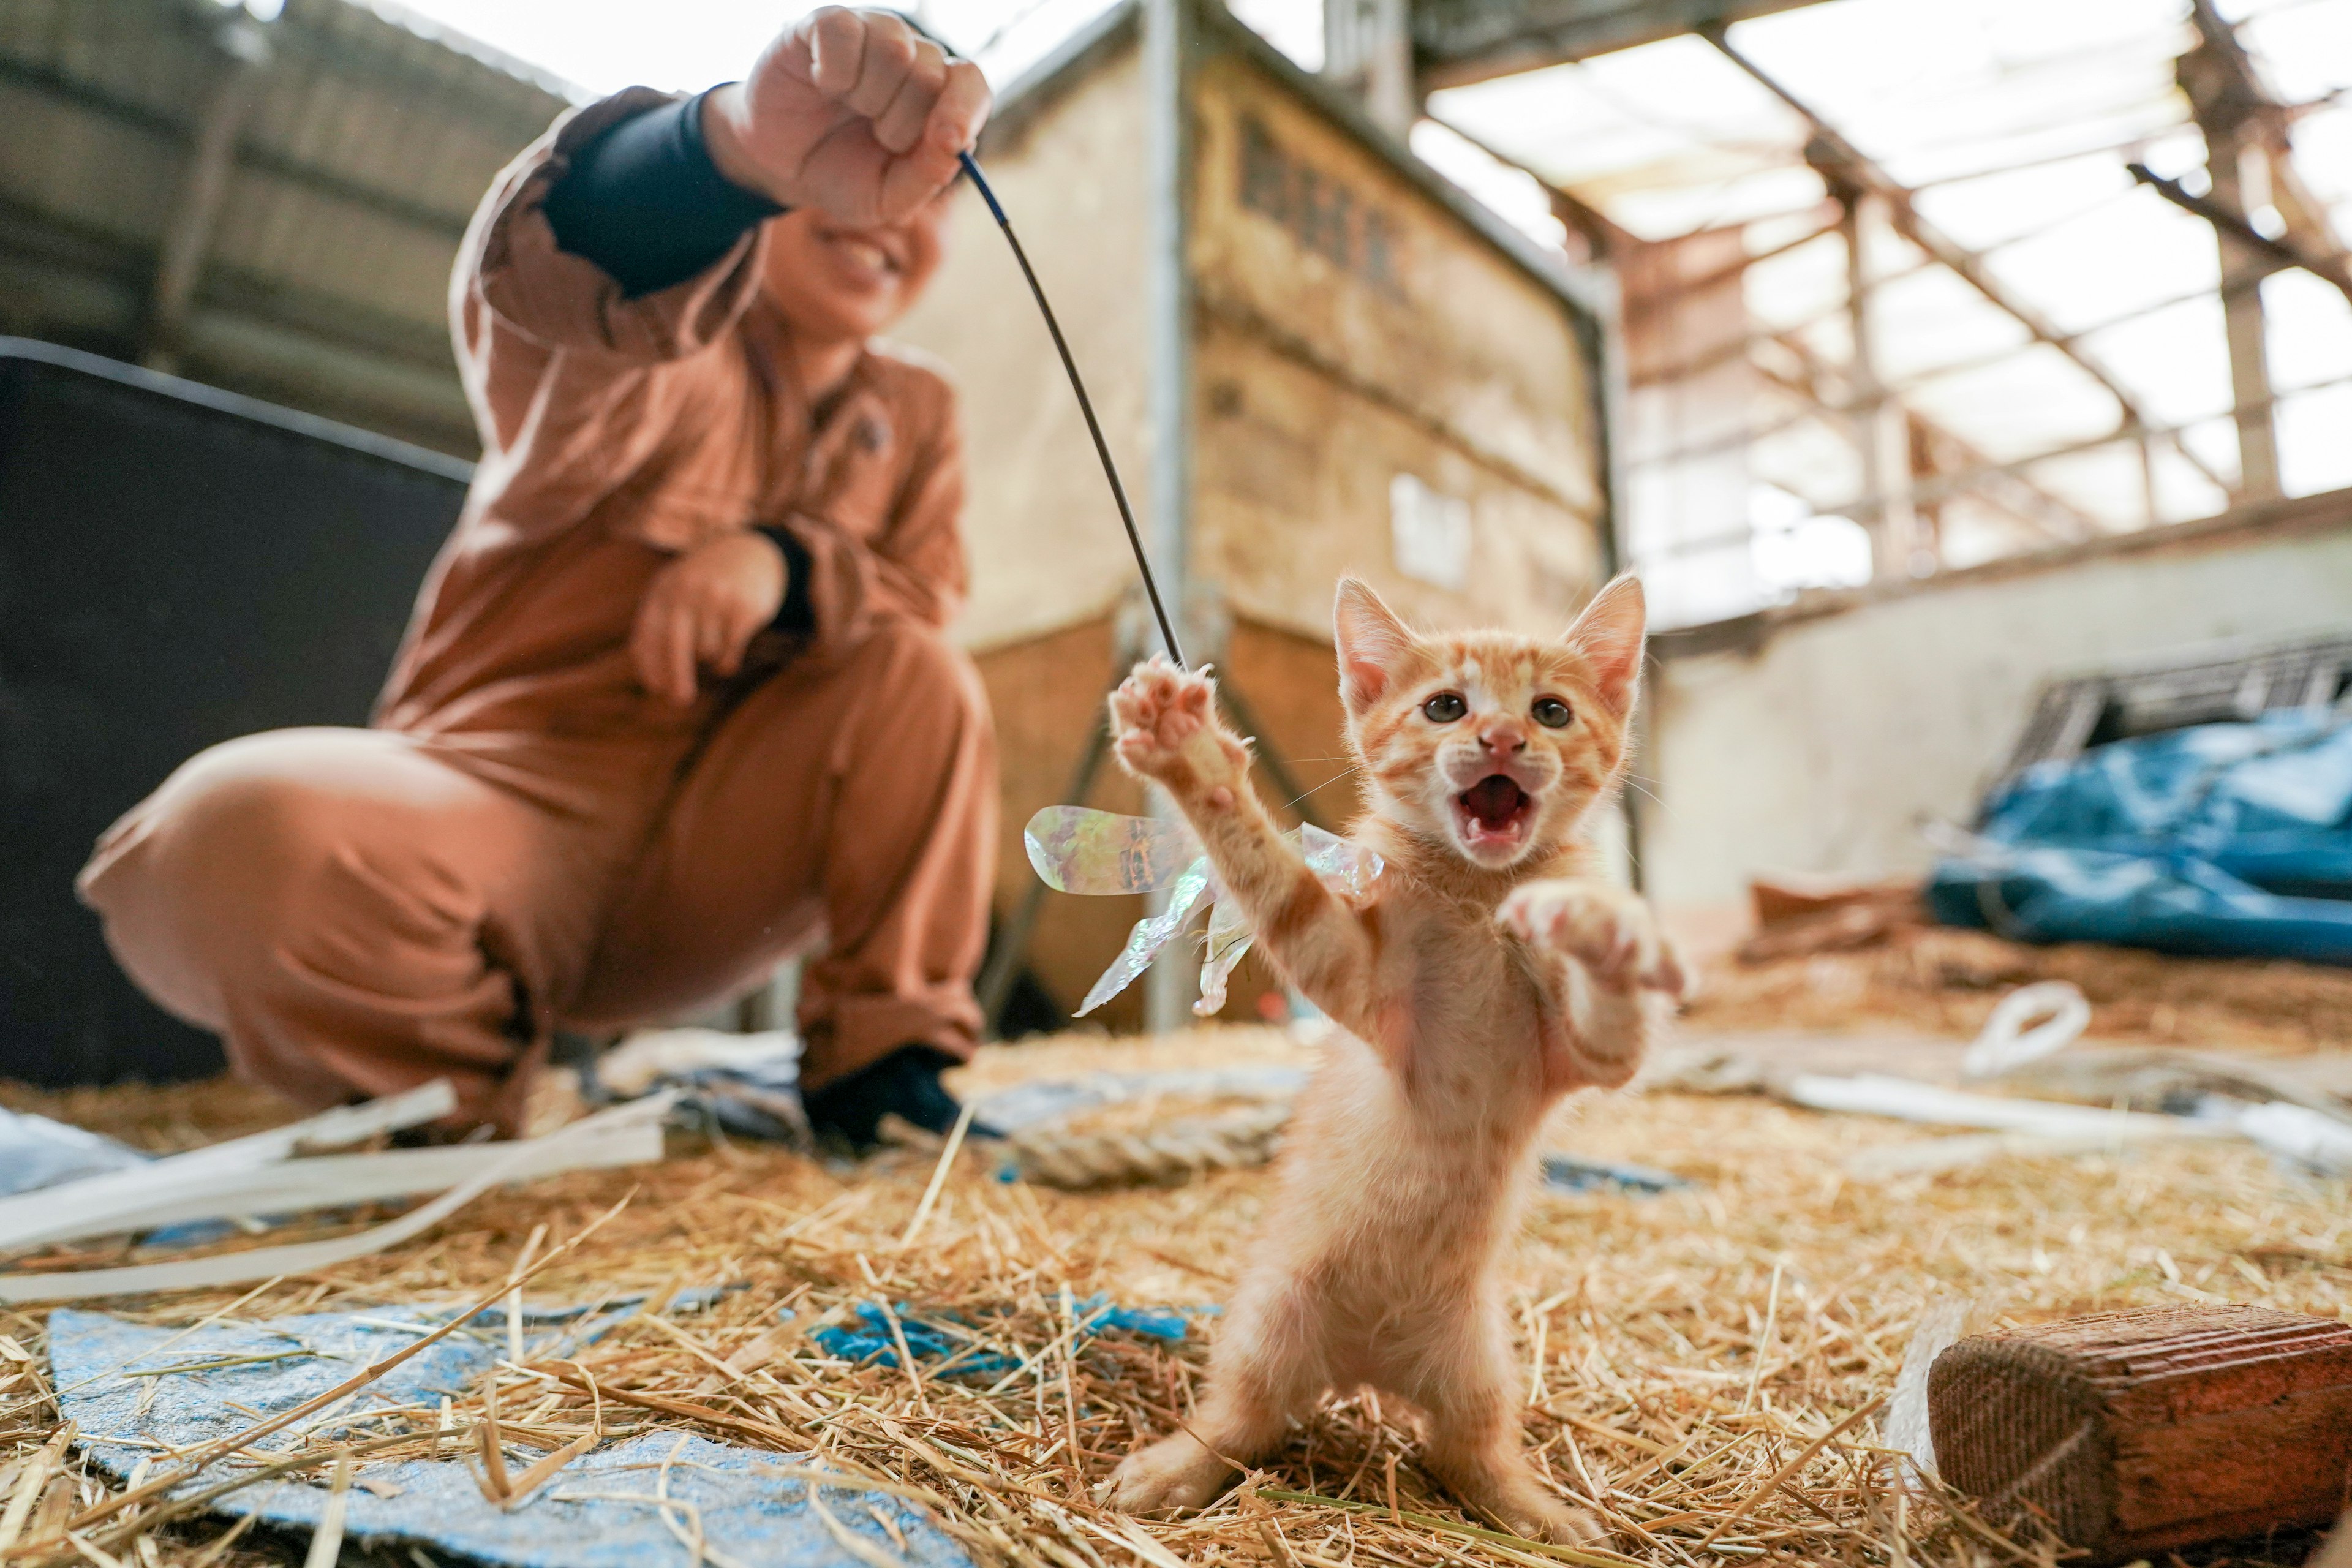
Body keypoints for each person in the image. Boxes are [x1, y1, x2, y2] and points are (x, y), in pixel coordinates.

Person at [77, 8, 998, 1150]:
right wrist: (731, 154)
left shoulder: (924, 412)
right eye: (855, 148)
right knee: (236, 833)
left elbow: (925, 601)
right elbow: (553, 283)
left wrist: (789, 564)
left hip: (719, 861)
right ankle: (450, 1113)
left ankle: (883, 1084)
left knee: (923, 674)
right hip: (496, 811)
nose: (891, 204)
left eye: (934, 180)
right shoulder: (668, 318)